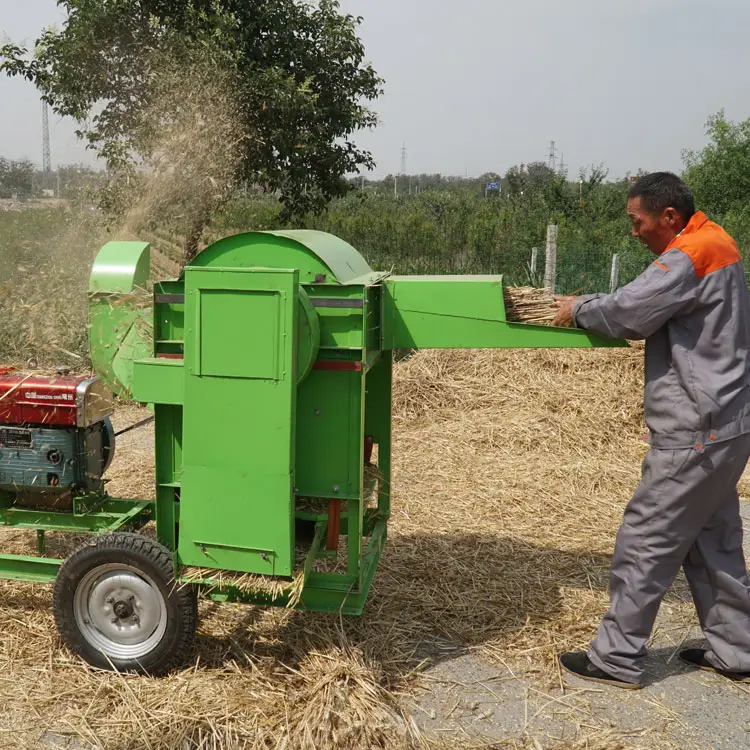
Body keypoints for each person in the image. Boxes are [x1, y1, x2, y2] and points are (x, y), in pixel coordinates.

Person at [553, 172, 750, 689]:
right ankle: (738, 649)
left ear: (668, 216)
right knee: (714, 540)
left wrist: (578, 308)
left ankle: (616, 658)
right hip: (729, 421)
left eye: (637, 222)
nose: (634, 232)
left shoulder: (689, 253)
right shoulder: (719, 240)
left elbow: (630, 312)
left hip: (695, 428)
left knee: (647, 537)